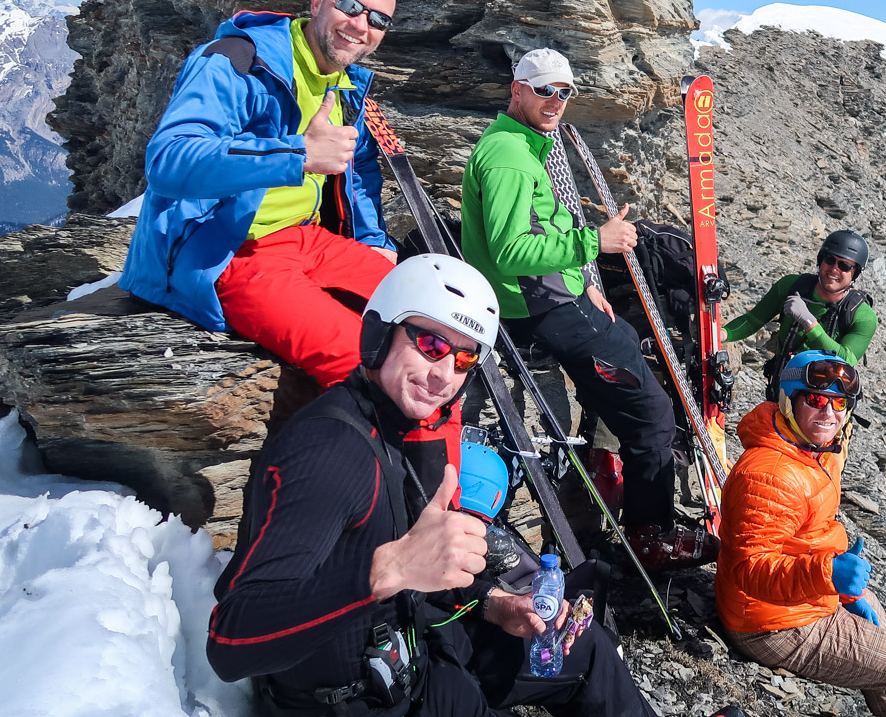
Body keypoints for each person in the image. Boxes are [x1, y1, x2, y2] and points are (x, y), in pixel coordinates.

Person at [206, 254, 664, 717]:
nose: (445, 374)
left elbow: (413, 575)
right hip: (360, 700)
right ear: (380, 331)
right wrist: (384, 572)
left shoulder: (390, 429)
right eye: (430, 344)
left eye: (465, 359)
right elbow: (231, 641)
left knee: (584, 652)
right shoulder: (330, 452)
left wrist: (495, 604)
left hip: (414, 662)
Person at [460, 48, 710, 569]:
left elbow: (540, 230)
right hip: (544, 310)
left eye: (564, 91)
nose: (556, 102)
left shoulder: (523, 142)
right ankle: (649, 535)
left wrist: (584, 278)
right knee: (652, 415)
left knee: (637, 395)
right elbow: (511, 253)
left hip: (557, 295)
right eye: (544, 90)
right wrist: (595, 242)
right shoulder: (509, 156)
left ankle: (626, 502)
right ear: (517, 88)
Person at [119, 0, 401, 389]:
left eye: (377, 19)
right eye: (349, 5)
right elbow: (169, 161)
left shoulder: (345, 82)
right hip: (227, 248)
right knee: (365, 363)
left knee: (427, 313)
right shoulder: (238, 60)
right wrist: (296, 153)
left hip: (305, 238)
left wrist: (373, 243)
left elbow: (357, 169)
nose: (360, 24)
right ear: (317, 0)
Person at [715, 351, 886, 717]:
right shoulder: (771, 474)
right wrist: (828, 574)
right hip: (770, 623)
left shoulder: (814, 450)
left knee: (885, 638)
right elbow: (750, 570)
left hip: (795, 601)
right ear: (788, 399)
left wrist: (837, 587)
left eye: (839, 402)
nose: (828, 412)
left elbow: (798, 539)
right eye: (815, 400)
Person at [720, 229, 877, 396]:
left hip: (826, 404)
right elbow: (753, 320)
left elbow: (845, 359)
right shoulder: (791, 286)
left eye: (844, 266)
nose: (834, 269)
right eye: (830, 260)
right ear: (820, 260)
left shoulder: (862, 315)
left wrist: (808, 321)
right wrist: (722, 334)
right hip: (782, 391)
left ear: (855, 273)